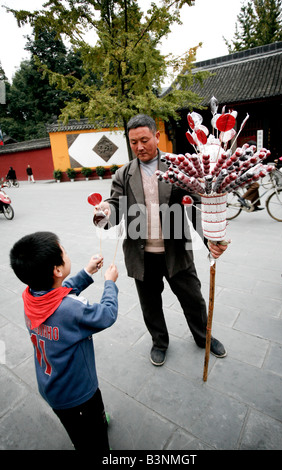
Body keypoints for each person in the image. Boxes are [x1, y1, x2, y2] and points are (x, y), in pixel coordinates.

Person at [93, 114, 227, 367]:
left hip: (175, 250)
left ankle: (203, 337)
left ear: (157, 136)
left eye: (144, 140)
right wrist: (105, 213)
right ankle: (159, 342)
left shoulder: (178, 166)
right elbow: (115, 206)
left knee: (193, 299)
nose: (139, 147)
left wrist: (210, 236)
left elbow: (193, 205)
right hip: (141, 254)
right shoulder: (123, 175)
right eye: (133, 142)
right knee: (150, 304)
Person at [9, 231, 118, 451]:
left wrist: (87, 272)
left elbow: (59, 293)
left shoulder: (30, 298)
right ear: (57, 270)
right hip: (79, 391)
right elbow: (106, 315)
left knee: (75, 429)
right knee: (93, 436)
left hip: (52, 387)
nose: (67, 255)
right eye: (65, 253)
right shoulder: (70, 309)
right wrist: (109, 284)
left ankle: (91, 431)